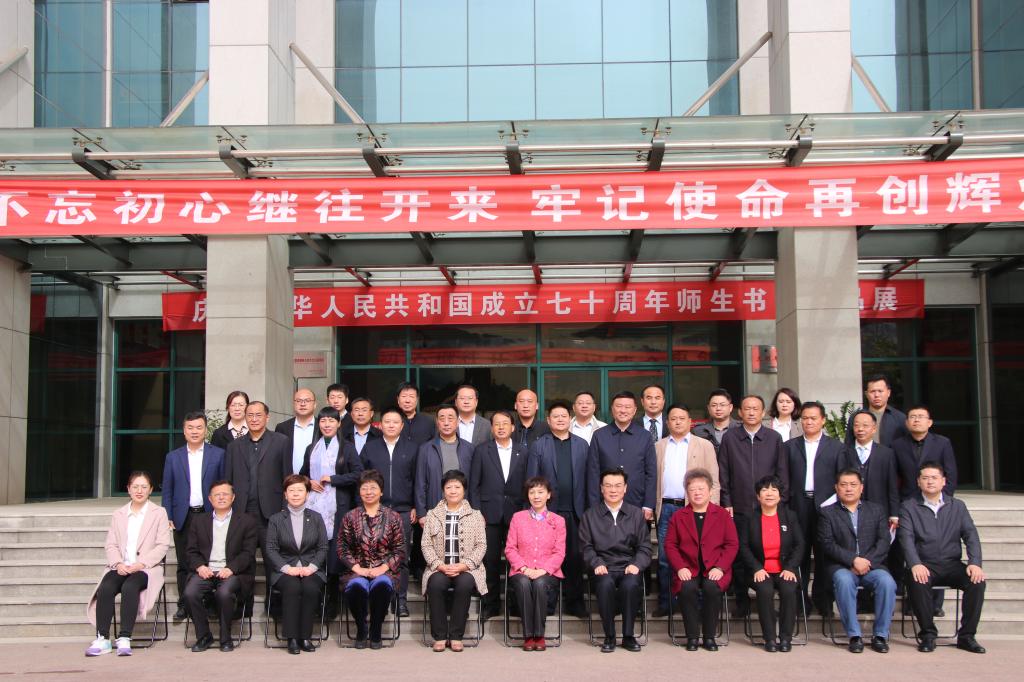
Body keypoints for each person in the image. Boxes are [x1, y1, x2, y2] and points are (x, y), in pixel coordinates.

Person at [899, 461, 986, 654]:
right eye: (925, 478)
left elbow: (971, 535)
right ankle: (928, 635)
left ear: (943, 481)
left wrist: (975, 563)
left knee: (977, 582)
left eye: (934, 477)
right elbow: (906, 538)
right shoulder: (908, 507)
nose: (930, 481)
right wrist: (915, 564)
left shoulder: (957, 506)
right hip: (925, 564)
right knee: (917, 580)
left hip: (951, 564)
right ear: (918, 482)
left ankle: (967, 636)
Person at [86, 471, 170, 657]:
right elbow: (111, 544)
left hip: (146, 568)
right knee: (106, 587)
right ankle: (103, 638)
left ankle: (124, 637)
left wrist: (141, 564)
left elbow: (163, 545)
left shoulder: (159, 513)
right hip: (122, 566)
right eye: (135, 487)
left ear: (151, 490)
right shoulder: (119, 514)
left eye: (144, 487)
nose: (139, 491)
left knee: (130, 587)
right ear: (128, 489)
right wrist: (118, 563)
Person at [719, 395, 788, 616]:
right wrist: (726, 501)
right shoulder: (730, 437)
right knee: (739, 556)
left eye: (755, 409)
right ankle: (742, 602)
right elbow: (723, 472)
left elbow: (782, 473)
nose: (751, 412)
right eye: (747, 408)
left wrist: (780, 502)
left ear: (763, 412)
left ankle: (767, 600)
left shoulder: (774, 438)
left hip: (768, 509)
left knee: (766, 551)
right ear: (739, 412)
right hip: (739, 507)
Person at [818, 469, 896, 654]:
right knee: (844, 581)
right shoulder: (827, 513)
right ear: (836, 488)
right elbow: (827, 543)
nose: (848, 489)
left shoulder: (876, 510)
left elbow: (884, 541)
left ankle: (880, 635)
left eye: (853, 485)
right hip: (842, 566)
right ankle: (854, 635)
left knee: (887, 582)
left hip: (872, 566)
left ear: (861, 488)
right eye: (844, 485)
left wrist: (866, 561)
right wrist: (853, 560)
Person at [652, 403, 719, 618]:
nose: (677, 422)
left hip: (694, 508)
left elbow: (714, 480)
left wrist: (712, 509)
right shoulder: (659, 446)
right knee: (665, 558)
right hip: (666, 508)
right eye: (673, 419)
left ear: (690, 421)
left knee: (696, 557)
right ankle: (667, 602)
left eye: (682, 418)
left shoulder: (704, 445)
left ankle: (696, 604)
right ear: (667, 422)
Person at [526, 401, 590, 618]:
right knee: (548, 558)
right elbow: (532, 480)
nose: (560, 419)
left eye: (564, 416)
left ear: (570, 419)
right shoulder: (539, 445)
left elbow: (589, 479)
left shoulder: (582, 445)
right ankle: (548, 603)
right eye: (555, 416)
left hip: (576, 511)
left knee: (574, 558)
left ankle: (575, 603)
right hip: (548, 513)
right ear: (549, 420)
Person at [663, 468, 738, 652]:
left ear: (710, 491)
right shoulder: (678, 516)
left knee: (712, 588)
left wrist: (720, 567)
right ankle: (692, 636)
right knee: (687, 588)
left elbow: (732, 544)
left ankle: (709, 636)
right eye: (692, 489)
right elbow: (670, 545)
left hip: (715, 568)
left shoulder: (722, 515)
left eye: (701, 489)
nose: (697, 493)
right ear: (687, 493)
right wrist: (680, 567)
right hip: (688, 568)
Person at [579, 469, 652, 653]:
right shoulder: (590, 515)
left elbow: (645, 547)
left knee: (630, 585)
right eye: (608, 486)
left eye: (618, 486)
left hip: (628, 565)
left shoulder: (636, 514)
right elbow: (586, 547)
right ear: (601, 488)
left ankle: (628, 636)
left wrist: (636, 564)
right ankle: (609, 636)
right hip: (603, 566)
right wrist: (596, 563)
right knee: (605, 585)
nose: (613, 490)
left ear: (625, 488)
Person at [300, 406, 364, 619]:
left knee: (334, 555)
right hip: (313, 507)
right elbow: (301, 475)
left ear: (338, 423)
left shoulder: (347, 448)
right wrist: (309, 481)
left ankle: (333, 603)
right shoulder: (311, 448)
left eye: (331, 420)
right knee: (315, 550)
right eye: (323, 420)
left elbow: (358, 474)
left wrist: (333, 479)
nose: (327, 424)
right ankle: (316, 600)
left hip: (339, 508)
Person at [223, 401, 290, 601]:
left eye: (258, 415)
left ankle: (274, 605)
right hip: (241, 512)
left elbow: (287, 478)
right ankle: (243, 605)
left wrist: (284, 509)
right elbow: (228, 481)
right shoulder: (234, 446)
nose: (253, 419)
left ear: (267, 417)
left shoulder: (281, 441)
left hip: (270, 513)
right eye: (250, 415)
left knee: (272, 560)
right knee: (242, 560)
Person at [162, 411, 225, 621]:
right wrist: (168, 515)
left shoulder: (218, 454)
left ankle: (208, 601)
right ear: (184, 431)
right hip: (184, 516)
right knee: (184, 562)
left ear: (205, 430)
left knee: (209, 559)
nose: (194, 431)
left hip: (209, 515)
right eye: (190, 428)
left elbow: (223, 486)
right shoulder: (173, 457)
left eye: (199, 427)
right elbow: (168, 490)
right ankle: (184, 604)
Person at [182, 480, 258, 653]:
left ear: (233, 497)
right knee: (190, 593)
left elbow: (248, 553)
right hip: (206, 571)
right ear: (210, 499)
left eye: (225, 494)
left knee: (224, 593)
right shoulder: (199, 521)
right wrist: (200, 567)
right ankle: (204, 636)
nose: (221, 497)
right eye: (217, 495)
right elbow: (191, 551)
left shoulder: (246, 521)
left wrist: (231, 568)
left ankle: (225, 637)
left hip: (233, 572)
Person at [785, 400, 845, 614]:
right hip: (798, 505)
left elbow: (842, 478)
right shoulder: (789, 446)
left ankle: (823, 599)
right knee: (798, 552)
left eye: (813, 418)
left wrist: (833, 503)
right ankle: (800, 601)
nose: (808, 422)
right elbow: (784, 478)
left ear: (823, 420)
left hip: (827, 507)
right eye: (805, 418)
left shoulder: (836, 447)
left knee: (824, 554)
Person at [359, 406, 419, 616]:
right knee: (376, 556)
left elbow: (417, 480)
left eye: (395, 422)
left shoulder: (413, 448)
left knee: (401, 557)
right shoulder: (370, 448)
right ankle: (381, 600)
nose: (391, 425)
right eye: (387, 422)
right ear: (380, 425)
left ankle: (400, 600)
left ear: (402, 426)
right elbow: (362, 480)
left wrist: (415, 506)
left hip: (403, 510)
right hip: (376, 510)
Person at [470, 409, 529, 620]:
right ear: (491, 428)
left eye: (505, 423)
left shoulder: (524, 451)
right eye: (497, 424)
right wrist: (477, 512)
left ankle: (515, 604)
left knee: (516, 561)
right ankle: (490, 604)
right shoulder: (482, 451)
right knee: (490, 561)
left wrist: (526, 512)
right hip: (488, 515)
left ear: (513, 427)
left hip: (517, 514)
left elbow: (529, 485)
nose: (501, 427)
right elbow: (474, 486)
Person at [337, 469, 406, 649]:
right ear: (359, 491)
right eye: (364, 488)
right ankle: (361, 628)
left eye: (373, 488)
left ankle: (376, 630)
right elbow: (342, 548)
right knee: (356, 586)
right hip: (356, 570)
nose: (369, 492)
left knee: (382, 585)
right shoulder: (350, 517)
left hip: (385, 570)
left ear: (381, 491)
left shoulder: (393, 517)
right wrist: (357, 568)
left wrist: (382, 568)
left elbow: (399, 549)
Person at [421, 470, 488, 653]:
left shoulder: (475, 515)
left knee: (465, 584)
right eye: (448, 487)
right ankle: (440, 636)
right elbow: (426, 545)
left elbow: (481, 545)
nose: (453, 491)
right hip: (439, 568)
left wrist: (464, 565)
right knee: (435, 584)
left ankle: (457, 635)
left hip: (467, 568)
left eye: (457, 487)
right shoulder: (432, 514)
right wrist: (439, 565)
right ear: (443, 490)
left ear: (464, 490)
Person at [738, 476, 804, 652]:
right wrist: (756, 568)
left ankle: (785, 638)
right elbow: (743, 546)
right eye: (764, 490)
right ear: (758, 496)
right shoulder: (750, 518)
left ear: (780, 496)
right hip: (759, 570)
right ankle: (770, 638)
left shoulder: (790, 516)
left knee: (789, 589)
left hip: (784, 569)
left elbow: (799, 545)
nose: (769, 493)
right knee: (765, 590)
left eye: (774, 490)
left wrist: (790, 568)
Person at [264, 474, 328, 655]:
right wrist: (288, 568)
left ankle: (305, 637)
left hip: (311, 569)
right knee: (292, 587)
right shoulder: (276, 519)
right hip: (284, 570)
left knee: (309, 588)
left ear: (307, 494)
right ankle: (292, 638)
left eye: (300, 490)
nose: (295, 494)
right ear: (285, 495)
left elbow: (323, 547)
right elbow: (271, 549)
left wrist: (311, 568)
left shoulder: (316, 518)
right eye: (291, 490)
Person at [505, 476, 566, 651]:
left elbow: (559, 552)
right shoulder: (518, 518)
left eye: (540, 492)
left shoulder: (558, 521)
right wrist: (524, 568)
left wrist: (543, 570)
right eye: (532, 492)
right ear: (527, 495)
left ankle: (539, 635)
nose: (536, 496)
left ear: (549, 495)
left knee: (540, 583)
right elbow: (510, 548)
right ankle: (528, 636)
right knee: (523, 583)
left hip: (548, 572)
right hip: (521, 570)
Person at [586, 391, 656, 521]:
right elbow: (593, 473)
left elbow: (651, 473)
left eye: (628, 407)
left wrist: (648, 504)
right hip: (604, 505)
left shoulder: (645, 436)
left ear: (634, 410)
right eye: (618, 406)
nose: (623, 410)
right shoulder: (599, 436)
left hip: (637, 503)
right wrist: (594, 506)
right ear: (612, 409)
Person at [416, 404, 476, 519]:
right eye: (442, 419)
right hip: (434, 509)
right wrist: (421, 513)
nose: (446, 423)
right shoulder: (425, 449)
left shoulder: (469, 449)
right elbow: (420, 483)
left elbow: (474, 484)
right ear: (437, 422)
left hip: (464, 510)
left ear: (457, 422)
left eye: (450, 418)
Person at [893, 406, 958, 500]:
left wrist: (944, 498)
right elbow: (893, 475)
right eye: (912, 417)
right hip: (907, 499)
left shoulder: (942, 443)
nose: (916, 420)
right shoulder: (897, 445)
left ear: (929, 423)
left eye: (921, 416)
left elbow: (950, 474)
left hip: (935, 499)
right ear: (906, 423)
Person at [845, 374, 908, 447]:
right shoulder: (857, 417)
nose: (876, 395)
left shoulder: (900, 418)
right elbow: (849, 445)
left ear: (888, 393)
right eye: (872, 391)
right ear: (866, 394)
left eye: (880, 391)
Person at [275, 388, 320, 475]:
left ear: (315, 404)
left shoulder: (323, 427)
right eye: (298, 401)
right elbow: (277, 456)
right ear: (294, 404)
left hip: (316, 480)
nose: (303, 404)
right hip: (289, 480)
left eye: (307, 400)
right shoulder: (282, 427)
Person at [692, 388, 741, 459]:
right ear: (708, 408)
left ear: (730, 407)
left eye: (722, 405)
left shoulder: (741, 428)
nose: (718, 408)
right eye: (714, 405)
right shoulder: (698, 431)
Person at [396, 381, 437, 445]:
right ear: (398, 400)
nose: (407, 400)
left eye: (411, 396)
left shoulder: (429, 421)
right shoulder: (391, 421)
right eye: (404, 396)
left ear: (417, 400)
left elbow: (435, 444)